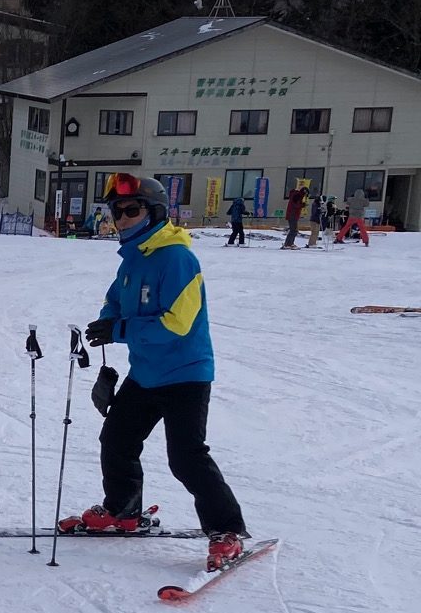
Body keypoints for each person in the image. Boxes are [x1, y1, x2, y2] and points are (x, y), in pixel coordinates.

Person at [63, 175, 247, 572]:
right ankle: (123, 511)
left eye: (132, 210)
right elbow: (116, 300)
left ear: (156, 213)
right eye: (117, 211)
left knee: (186, 457)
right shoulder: (134, 258)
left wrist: (123, 330)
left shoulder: (178, 259)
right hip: (145, 372)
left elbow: (178, 323)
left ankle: (227, 531)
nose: (122, 218)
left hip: (186, 373)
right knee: (116, 439)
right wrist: (107, 322)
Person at [282, 182, 307, 250]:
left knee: (293, 230)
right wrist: (302, 205)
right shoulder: (297, 195)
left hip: (293, 214)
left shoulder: (295, 194)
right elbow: (295, 205)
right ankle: (288, 244)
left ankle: (289, 243)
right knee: (293, 230)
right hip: (293, 214)